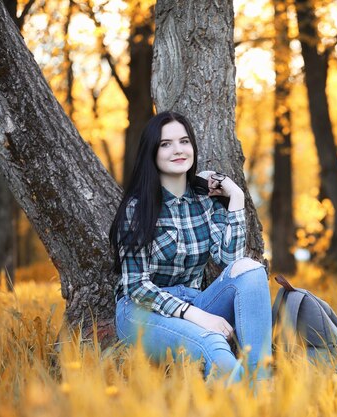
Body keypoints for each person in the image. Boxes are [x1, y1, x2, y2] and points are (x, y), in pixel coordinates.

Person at [109, 111, 272, 384]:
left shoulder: (205, 201)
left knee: (251, 269)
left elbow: (230, 263)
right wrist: (195, 315)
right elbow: (136, 287)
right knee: (214, 347)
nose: (178, 150)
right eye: (166, 144)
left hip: (195, 300)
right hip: (141, 312)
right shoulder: (138, 209)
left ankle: (261, 385)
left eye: (184, 141)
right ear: (152, 152)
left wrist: (236, 198)